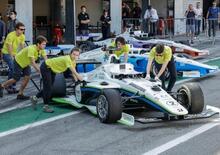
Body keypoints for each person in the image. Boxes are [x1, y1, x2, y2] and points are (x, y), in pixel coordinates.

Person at [1, 22, 25, 94]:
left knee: (15, 69)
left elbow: (23, 47)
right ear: (16, 29)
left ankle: (12, 86)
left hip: (15, 54)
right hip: (6, 53)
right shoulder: (10, 35)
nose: (22, 31)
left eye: (24, 29)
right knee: (13, 67)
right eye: (21, 29)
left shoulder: (22, 36)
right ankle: (9, 86)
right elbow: (9, 47)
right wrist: (12, 57)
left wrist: (24, 56)